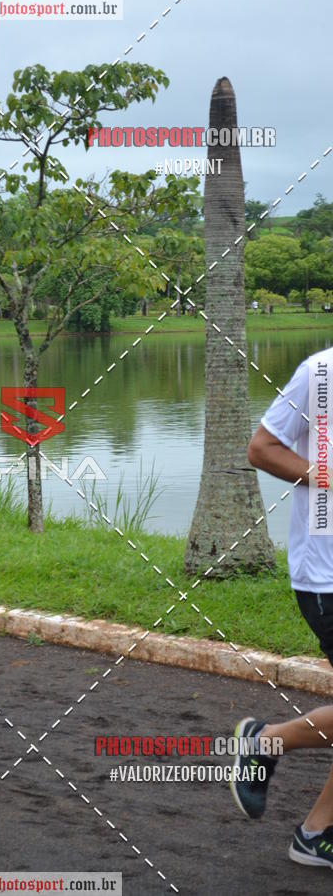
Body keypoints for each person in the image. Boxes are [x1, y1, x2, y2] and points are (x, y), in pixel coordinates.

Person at [229, 343, 333, 866]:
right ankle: (315, 831)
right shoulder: (321, 373)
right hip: (327, 575)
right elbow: (263, 447)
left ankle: (266, 744)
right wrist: (322, 475)